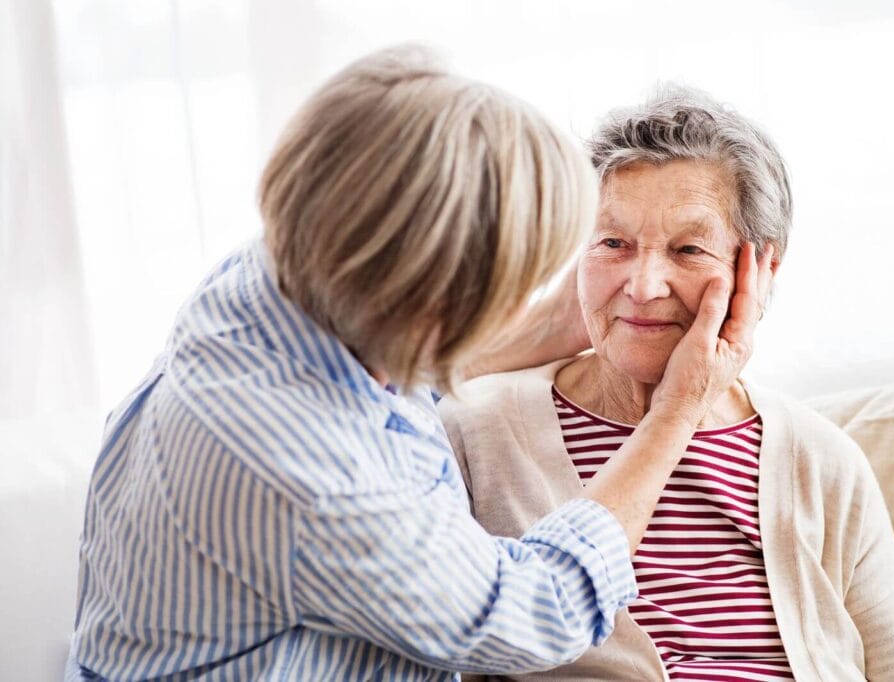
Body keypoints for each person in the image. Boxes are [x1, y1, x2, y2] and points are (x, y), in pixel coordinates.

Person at [66, 48, 771, 680]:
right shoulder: (319, 477)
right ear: (427, 296)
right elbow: (536, 611)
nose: (642, 282)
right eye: (610, 243)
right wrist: (674, 412)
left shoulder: (282, 267)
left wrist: (558, 324)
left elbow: (389, 346)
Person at [439, 85, 894, 681]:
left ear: (759, 270)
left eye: (688, 249)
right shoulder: (475, 430)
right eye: (613, 243)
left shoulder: (821, 460)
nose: (643, 285)